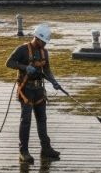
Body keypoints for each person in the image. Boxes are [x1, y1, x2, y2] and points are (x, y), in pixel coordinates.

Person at [7, 23, 62, 163]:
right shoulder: (22, 50)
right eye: (43, 41)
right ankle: (23, 151)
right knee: (26, 121)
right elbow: (9, 63)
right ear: (37, 38)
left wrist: (54, 81)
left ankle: (46, 149)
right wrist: (24, 67)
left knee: (42, 120)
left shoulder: (45, 52)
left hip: (39, 91)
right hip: (26, 90)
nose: (45, 44)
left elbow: (47, 70)